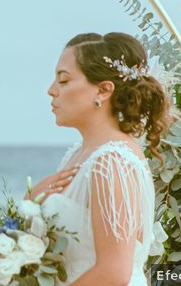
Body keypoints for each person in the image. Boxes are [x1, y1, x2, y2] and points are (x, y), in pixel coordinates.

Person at [29, 32, 171, 285]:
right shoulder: (77, 154)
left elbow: (113, 273)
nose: (51, 91)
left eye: (63, 80)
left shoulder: (112, 162)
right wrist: (30, 200)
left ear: (103, 90)